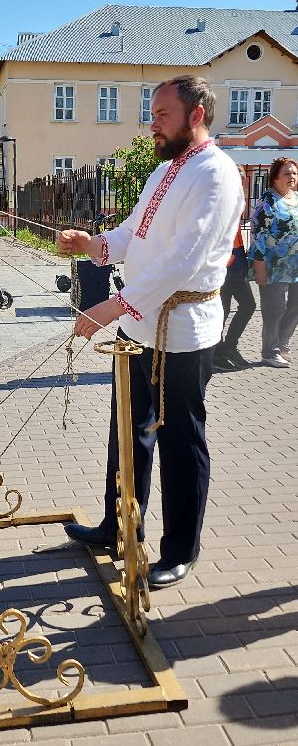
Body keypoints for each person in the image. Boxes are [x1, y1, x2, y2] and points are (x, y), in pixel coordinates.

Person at [57, 77, 243, 588]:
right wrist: (91, 245)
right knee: (128, 431)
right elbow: (135, 235)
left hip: (182, 331)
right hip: (142, 327)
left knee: (180, 441)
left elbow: (182, 261)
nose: (152, 123)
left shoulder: (217, 174)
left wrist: (111, 306)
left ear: (197, 115)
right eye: (153, 113)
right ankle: (119, 526)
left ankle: (181, 549)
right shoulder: (164, 170)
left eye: (163, 114)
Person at [247, 157, 298, 368]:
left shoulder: (294, 198)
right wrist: (260, 270)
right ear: (275, 177)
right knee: (274, 309)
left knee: (295, 306)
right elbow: (258, 239)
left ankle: (283, 344)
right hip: (272, 267)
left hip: (295, 266)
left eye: (294, 173)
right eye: (287, 173)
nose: (292, 177)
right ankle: (270, 351)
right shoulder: (267, 204)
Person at [213, 166, 256, 371]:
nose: (239, 182)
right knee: (223, 308)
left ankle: (228, 346)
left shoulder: (237, 200)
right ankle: (215, 352)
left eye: (241, 178)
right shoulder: (219, 199)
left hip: (238, 256)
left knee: (248, 305)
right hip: (224, 258)